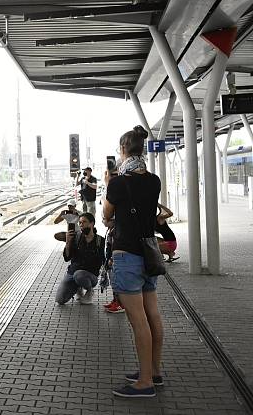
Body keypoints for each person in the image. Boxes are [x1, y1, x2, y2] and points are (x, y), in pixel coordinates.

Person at [103, 125, 163, 398]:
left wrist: (108, 185)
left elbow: (106, 216)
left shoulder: (117, 183)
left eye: (119, 150)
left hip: (127, 256)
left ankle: (145, 383)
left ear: (124, 150)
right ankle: (154, 371)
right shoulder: (154, 180)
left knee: (138, 320)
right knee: (152, 316)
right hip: (149, 254)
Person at [54, 213, 104, 305]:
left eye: (84, 222)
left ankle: (89, 291)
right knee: (60, 299)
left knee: (79, 275)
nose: (81, 225)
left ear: (92, 223)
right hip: (72, 273)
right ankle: (77, 287)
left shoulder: (100, 241)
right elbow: (67, 258)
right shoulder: (76, 237)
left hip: (90, 276)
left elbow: (102, 260)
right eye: (80, 223)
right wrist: (68, 242)